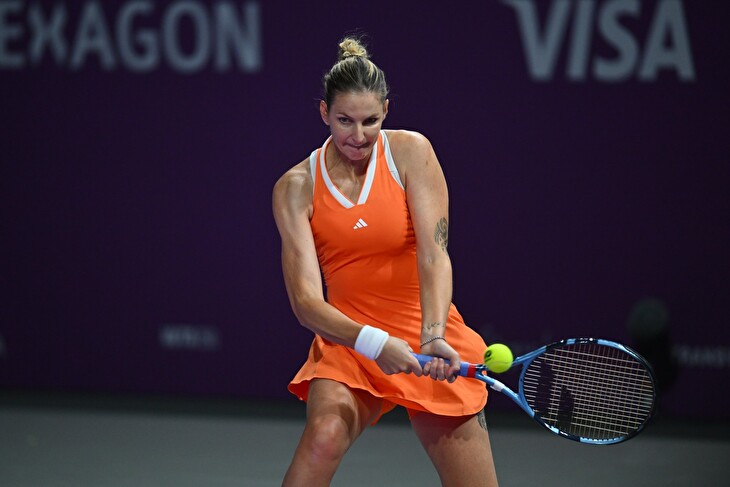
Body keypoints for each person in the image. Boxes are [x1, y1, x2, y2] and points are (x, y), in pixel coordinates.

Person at [272, 36, 499, 487]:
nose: (358, 137)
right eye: (344, 121)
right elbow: (305, 303)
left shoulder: (410, 153)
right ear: (324, 113)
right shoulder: (296, 187)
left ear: (387, 111)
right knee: (324, 437)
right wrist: (374, 343)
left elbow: (434, 254)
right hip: (351, 342)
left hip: (426, 333)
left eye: (370, 121)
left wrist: (433, 335)